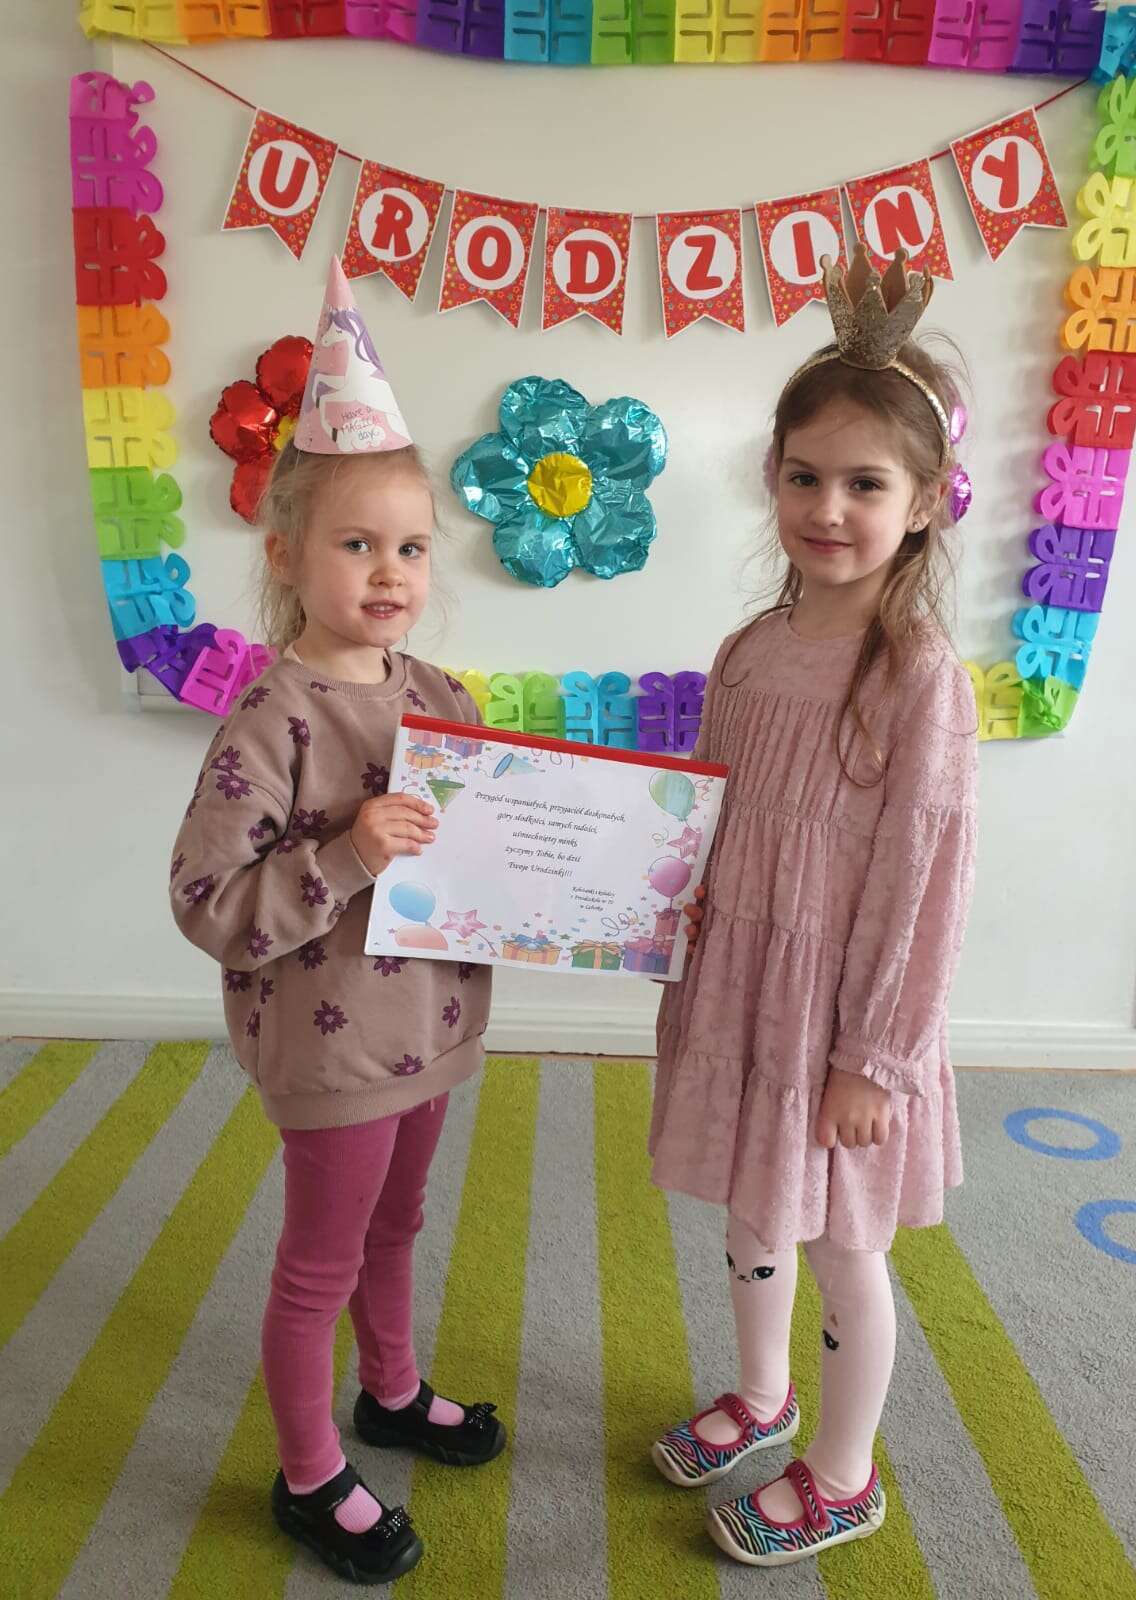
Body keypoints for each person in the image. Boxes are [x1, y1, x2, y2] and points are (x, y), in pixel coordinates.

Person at [171, 259, 504, 1587]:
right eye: (356, 544)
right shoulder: (273, 719)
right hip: (330, 1042)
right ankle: (309, 1472)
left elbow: (493, 847)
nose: (388, 572)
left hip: (427, 1023)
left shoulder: (443, 696)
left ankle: (393, 1391)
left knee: (397, 1226)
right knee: (320, 1260)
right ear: (286, 555)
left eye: (410, 548)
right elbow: (208, 902)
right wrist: (349, 855)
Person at [649, 246, 979, 1567]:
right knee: (751, 1206)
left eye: (865, 483)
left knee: (846, 1244)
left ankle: (843, 1474)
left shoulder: (919, 675)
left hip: (843, 1022)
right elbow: (703, 819)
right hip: (743, 994)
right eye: (803, 476)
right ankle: (762, 1392)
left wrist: (874, 1058)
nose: (827, 507)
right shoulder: (747, 650)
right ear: (771, 478)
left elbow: (924, 880)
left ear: (925, 502)